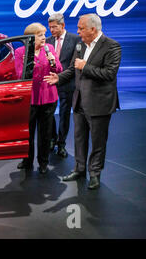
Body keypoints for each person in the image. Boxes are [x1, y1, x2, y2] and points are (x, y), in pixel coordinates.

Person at [43, 13, 121, 189]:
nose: (78, 32)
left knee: (98, 141)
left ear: (93, 29)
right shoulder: (80, 45)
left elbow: (109, 74)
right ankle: (79, 169)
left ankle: (95, 174)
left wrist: (85, 66)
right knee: (79, 138)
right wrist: (59, 78)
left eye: (81, 28)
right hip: (79, 100)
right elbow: (72, 68)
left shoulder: (112, 46)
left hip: (100, 103)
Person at [15, 23, 62, 174]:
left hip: (48, 96)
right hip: (30, 97)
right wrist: (30, 66)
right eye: (40, 35)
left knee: (45, 132)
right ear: (30, 37)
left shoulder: (50, 49)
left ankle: (43, 162)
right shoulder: (20, 52)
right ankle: (27, 160)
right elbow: (18, 74)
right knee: (28, 131)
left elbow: (59, 69)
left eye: (43, 34)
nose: (44, 38)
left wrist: (53, 63)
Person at [46, 13, 81, 158]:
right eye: (50, 27)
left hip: (67, 83)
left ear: (63, 25)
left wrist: (59, 77)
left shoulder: (75, 39)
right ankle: (52, 138)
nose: (52, 30)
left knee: (64, 115)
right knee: (49, 114)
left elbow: (74, 65)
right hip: (50, 83)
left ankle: (61, 143)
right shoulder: (47, 41)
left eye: (54, 27)